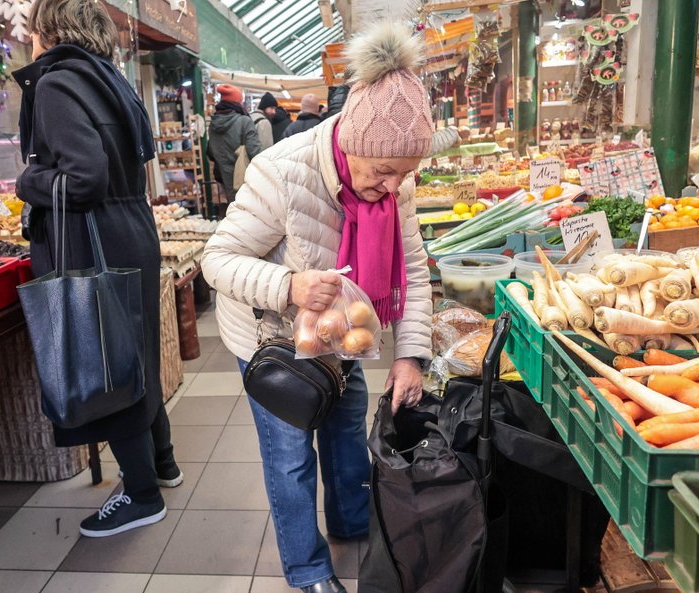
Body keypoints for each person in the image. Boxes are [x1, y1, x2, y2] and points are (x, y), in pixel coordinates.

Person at [201, 21, 432, 593]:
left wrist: (411, 356)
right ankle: (306, 570)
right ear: (353, 144)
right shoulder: (279, 172)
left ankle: (353, 523)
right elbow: (217, 260)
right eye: (384, 173)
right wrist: (289, 285)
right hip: (273, 339)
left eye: (406, 175)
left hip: (341, 336)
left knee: (347, 433)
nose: (394, 188)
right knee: (290, 456)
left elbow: (417, 270)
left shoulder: (393, 182)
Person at [13, 0, 181, 537]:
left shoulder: (57, 84)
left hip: (93, 239)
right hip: (132, 229)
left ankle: (140, 494)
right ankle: (163, 461)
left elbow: (82, 178)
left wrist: (27, 182)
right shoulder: (112, 78)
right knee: (136, 352)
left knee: (107, 362)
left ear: (47, 31)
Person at [206, 84, 262, 212]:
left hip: (223, 177)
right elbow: (255, 152)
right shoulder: (244, 121)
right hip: (244, 178)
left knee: (233, 212)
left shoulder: (213, 124)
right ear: (238, 103)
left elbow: (210, 152)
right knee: (248, 212)